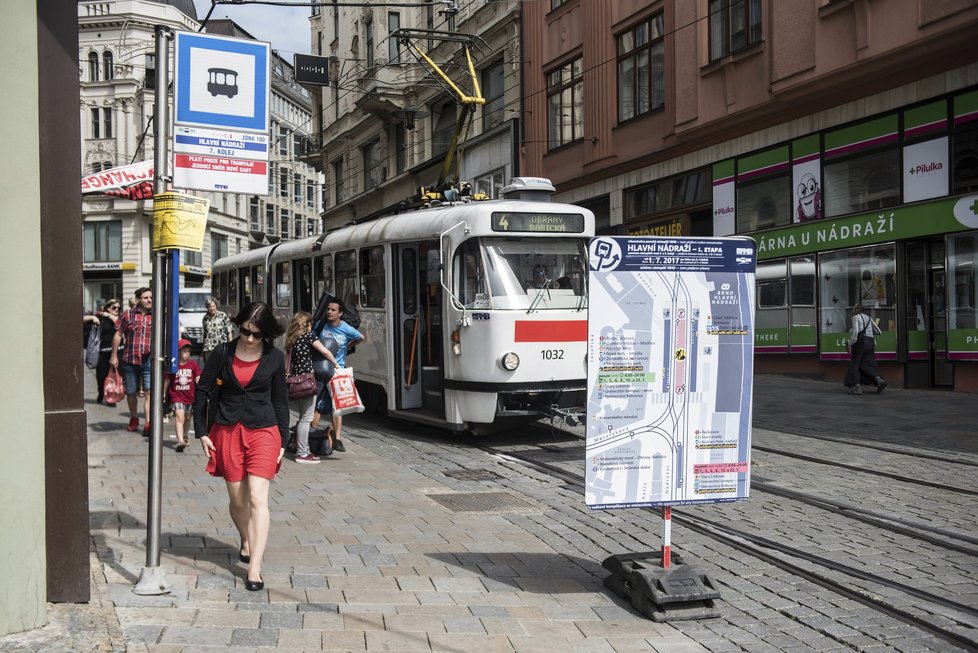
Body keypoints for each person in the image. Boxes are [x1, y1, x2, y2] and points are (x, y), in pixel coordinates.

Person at [192, 301, 288, 591]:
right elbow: (202, 391)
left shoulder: (274, 358)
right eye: (245, 331)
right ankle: (246, 538)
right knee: (237, 501)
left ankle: (254, 569)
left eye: (256, 334)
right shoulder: (222, 353)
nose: (249, 338)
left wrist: (284, 439)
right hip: (228, 430)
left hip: (264, 430)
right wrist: (201, 431)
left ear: (266, 334)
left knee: (258, 498)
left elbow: (281, 401)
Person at [285, 312, 339, 464]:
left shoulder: (292, 340)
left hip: (296, 382)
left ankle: (304, 450)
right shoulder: (309, 336)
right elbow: (325, 351)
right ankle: (302, 453)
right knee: (306, 419)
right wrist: (335, 363)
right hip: (308, 381)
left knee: (303, 417)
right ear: (307, 324)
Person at [311, 298, 363, 453]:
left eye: (333, 310)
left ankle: (338, 439)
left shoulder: (346, 328)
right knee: (318, 404)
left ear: (340, 313)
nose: (329, 312)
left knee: (337, 405)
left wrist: (348, 346)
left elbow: (361, 337)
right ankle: (311, 435)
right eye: (328, 309)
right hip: (321, 368)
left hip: (338, 370)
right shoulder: (321, 325)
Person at [110, 287, 153, 434]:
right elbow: (117, 335)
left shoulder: (156, 315)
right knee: (131, 392)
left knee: (149, 391)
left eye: (151, 298)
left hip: (149, 360)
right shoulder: (128, 315)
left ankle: (148, 422)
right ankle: (134, 418)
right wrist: (114, 356)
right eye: (146, 297)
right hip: (129, 359)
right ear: (138, 299)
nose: (149, 300)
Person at [165, 339, 201, 453]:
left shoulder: (193, 365)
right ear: (179, 352)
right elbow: (167, 381)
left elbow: (198, 379)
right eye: (184, 351)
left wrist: (201, 392)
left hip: (190, 396)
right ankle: (180, 441)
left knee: (188, 417)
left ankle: (185, 435)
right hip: (177, 395)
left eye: (189, 351)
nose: (187, 353)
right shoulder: (174, 366)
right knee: (180, 417)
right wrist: (163, 394)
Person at [844, 303, 887, 395]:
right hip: (871, 343)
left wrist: (849, 343)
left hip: (860, 344)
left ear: (856, 310)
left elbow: (855, 334)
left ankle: (857, 388)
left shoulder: (856, 318)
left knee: (855, 365)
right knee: (865, 364)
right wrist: (868, 333)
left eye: (853, 309)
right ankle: (879, 380)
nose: (853, 311)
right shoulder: (869, 318)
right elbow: (879, 332)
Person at [94, 299, 121, 405]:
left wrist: (109, 315)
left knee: (113, 376)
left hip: (117, 351)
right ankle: (101, 391)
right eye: (114, 307)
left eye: (118, 308)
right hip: (103, 351)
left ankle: (110, 398)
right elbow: (84, 319)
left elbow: (118, 323)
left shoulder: (118, 318)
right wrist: (93, 317)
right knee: (101, 375)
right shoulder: (102, 318)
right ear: (108, 308)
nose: (116, 310)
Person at [201, 297, 233, 362]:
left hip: (221, 348)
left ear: (216, 305)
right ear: (207, 308)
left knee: (221, 368)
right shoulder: (205, 318)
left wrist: (231, 346)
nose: (212, 308)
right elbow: (204, 335)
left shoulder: (223, 315)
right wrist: (203, 350)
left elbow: (229, 331)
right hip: (209, 349)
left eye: (213, 306)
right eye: (210, 307)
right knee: (210, 369)